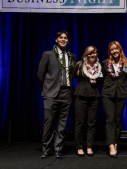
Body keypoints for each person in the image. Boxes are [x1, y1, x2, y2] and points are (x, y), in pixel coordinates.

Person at [37, 30, 76, 158]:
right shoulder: (48, 54)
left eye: (65, 38)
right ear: (56, 40)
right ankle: (46, 149)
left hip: (67, 93)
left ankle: (58, 148)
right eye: (61, 38)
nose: (63, 40)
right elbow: (40, 74)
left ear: (68, 41)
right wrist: (47, 89)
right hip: (51, 94)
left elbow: (72, 75)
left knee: (62, 124)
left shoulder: (72, 56)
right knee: (49, 122)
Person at [102, 41, 127, 158]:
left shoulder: (126, 64)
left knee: (118, 121)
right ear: (110, 51)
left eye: (116, 49)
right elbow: (101, 78)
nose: (114, 51)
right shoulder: (105, 64)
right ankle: (111, 146)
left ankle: (116, 143)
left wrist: (121, 85)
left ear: (120, 50)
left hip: (121, 95)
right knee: (110, 120)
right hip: (107, 95)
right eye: (112, 49)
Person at [74, 46, 102, 157]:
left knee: (92, 123)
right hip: (81, 96)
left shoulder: (99, 67)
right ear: (86, 54)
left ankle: (89, 146)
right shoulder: (79, 65)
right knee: (79, 123)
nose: (92, 55)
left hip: (94, 96)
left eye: (94, 53)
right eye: (90, 53)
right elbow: (71, 79)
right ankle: (79, 147)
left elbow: (102, 81)